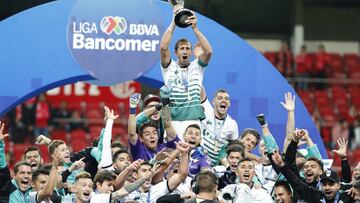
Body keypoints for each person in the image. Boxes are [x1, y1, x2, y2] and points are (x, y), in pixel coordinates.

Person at [159, 5, 213, 137]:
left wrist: (195, 28)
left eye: (188, 48)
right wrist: (174, 21)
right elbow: (163, 46)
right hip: (173, 120)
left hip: (193, 120)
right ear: (176, 52)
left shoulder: (197, 67)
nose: (185, 50)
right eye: (182, 48)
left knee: (191, 154)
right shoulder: (169, 67)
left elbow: (209, 51)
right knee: (172, 154)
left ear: (191, 52)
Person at [124, 141, 190, 203]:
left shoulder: (158, 189)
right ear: (135, 175)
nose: (148, 174)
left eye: (150, 170)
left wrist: (184, 153)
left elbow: (181, 176)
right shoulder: (126, 192)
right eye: (144, 171)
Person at [128, 93, 179, 161]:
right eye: (147, 134)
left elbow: (168, 124)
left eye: (154, 133)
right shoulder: (140, 149)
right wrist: (133, 108)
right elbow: (132, 131)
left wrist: (165, 105)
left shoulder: (164, 148)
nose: (152, 136)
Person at [200, 89, 239, 166]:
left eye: (226, 99)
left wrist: (223, 159)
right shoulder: (207, 110)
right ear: (213, 102)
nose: (223, 100)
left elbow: (233, 148)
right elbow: (201, 90)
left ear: (229, 104)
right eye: (220, 98)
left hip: (214, 166)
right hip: (197, 159)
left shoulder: (232, 124)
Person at [0, 121, 33, 202]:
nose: (26, 176)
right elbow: (2, 170)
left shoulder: (34, 193)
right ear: (14, 175)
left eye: (29, 173)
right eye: (22, 173)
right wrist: (0, 145)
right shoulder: (7, 189)